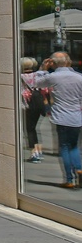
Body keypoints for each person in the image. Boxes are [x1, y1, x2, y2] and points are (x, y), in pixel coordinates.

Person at [34, 52, 82, 188]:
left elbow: (37, 83)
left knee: (65, 148)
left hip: (61, 117)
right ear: (68, 62)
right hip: (76, 117)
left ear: (53, 63)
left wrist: (43, 68)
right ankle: (79, 169)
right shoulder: (79, 77)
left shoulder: (54, 77)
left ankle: (69, 179)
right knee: (74, 146)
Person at [20, 57, 48, 163]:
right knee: (34, 128)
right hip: (38, 103)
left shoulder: (21, 77)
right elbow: (45, 89)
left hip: (28, 105)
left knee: (30, 129)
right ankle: (38, 152)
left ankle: (35, 153)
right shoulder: (37, 75)